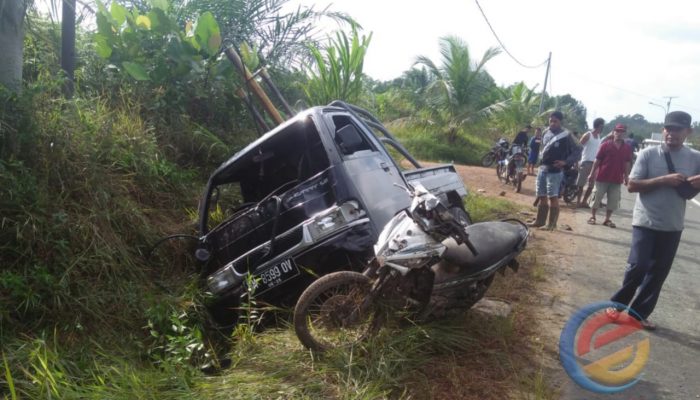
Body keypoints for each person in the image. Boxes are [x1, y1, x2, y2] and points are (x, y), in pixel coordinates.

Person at [607, 111, 700, 330]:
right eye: (669, 129)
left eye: (678, 129)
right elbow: (632, 185)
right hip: (645, 221)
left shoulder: (695, 157)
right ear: (663, 130)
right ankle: (617, 305)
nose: (672, 134)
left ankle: (637, 315)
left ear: (688, 132)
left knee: (658, 273)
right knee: (638, 266)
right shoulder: (649, 154)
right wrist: (664, 180)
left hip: (673, 224)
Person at [529, 111, 581, 230]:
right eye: (551, 121)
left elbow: (579, 149)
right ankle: (540, 221)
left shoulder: (567, 134)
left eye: (555, 121)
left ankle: (551, 225)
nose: (552, 123)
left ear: (560, 122)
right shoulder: (545, 131)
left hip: (555, 171)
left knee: (553, 197)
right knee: (541, 195)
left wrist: (566, 162)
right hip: (542, 168)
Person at [586, 124, 633, 227]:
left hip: (617, 179)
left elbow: (627, 163)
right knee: (596, 198)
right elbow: (597, 160)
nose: (619, 133)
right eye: (617, 131)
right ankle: (593, 217)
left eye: (622, 131)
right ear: (613, 132)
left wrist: (626, 176)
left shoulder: (627, 148)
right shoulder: (605, 145)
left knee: (613, 201)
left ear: (625, 134)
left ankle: (607, 219)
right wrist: (591, 174)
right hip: (602, 177)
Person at [575, 118, 605, 207]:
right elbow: (578, 148)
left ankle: (584, 201)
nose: (603, 128)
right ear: (599, 125)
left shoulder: (599, 137)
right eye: (602, 126)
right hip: (585, 162)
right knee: (580, 184)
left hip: (594, 163)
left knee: (591, 185)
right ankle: (578, 201)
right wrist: (577, 162)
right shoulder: (588, 135)